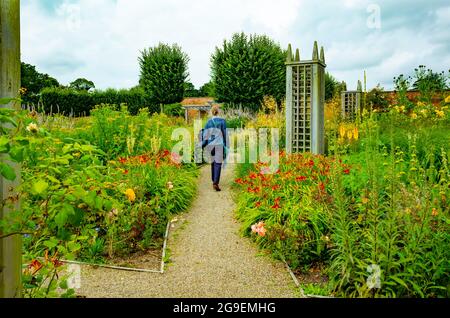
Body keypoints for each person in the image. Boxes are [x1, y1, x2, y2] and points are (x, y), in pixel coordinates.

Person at [202, 105, 228, 192]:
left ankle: (214, 180)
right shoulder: (222, 121)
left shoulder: (208, 122)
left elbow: (205, 136)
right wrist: (227, 146)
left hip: (210, 145)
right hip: (219, 145)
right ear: (218, 112)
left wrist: (202, 145)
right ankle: (215, 182)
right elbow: (225, 134)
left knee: (213, 162)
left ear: (211, 112)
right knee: (218, 163)